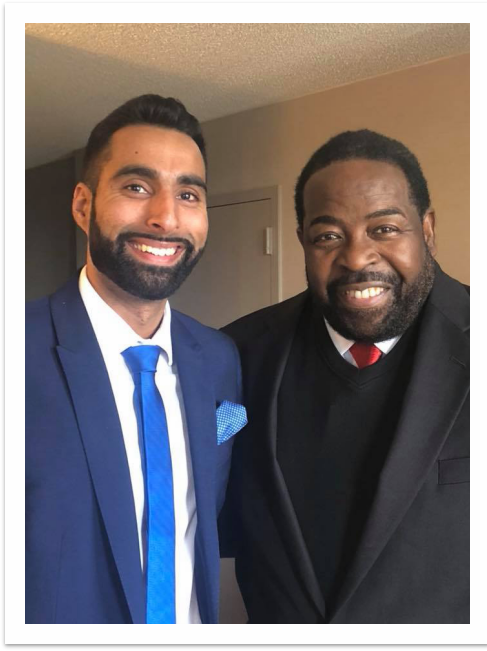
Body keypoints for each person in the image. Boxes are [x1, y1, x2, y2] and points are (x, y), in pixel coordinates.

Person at [221, 129, 469, 624]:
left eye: (385, 229)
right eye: (328, 236)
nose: (356, 258)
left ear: (427, 229)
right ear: (303, 241)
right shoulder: (239, 355)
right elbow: (206, 492)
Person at [26, 94, 246, 624]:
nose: (165, 217)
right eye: (137, 187)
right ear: (84, 206)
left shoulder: (218, 358)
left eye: (188, 194)